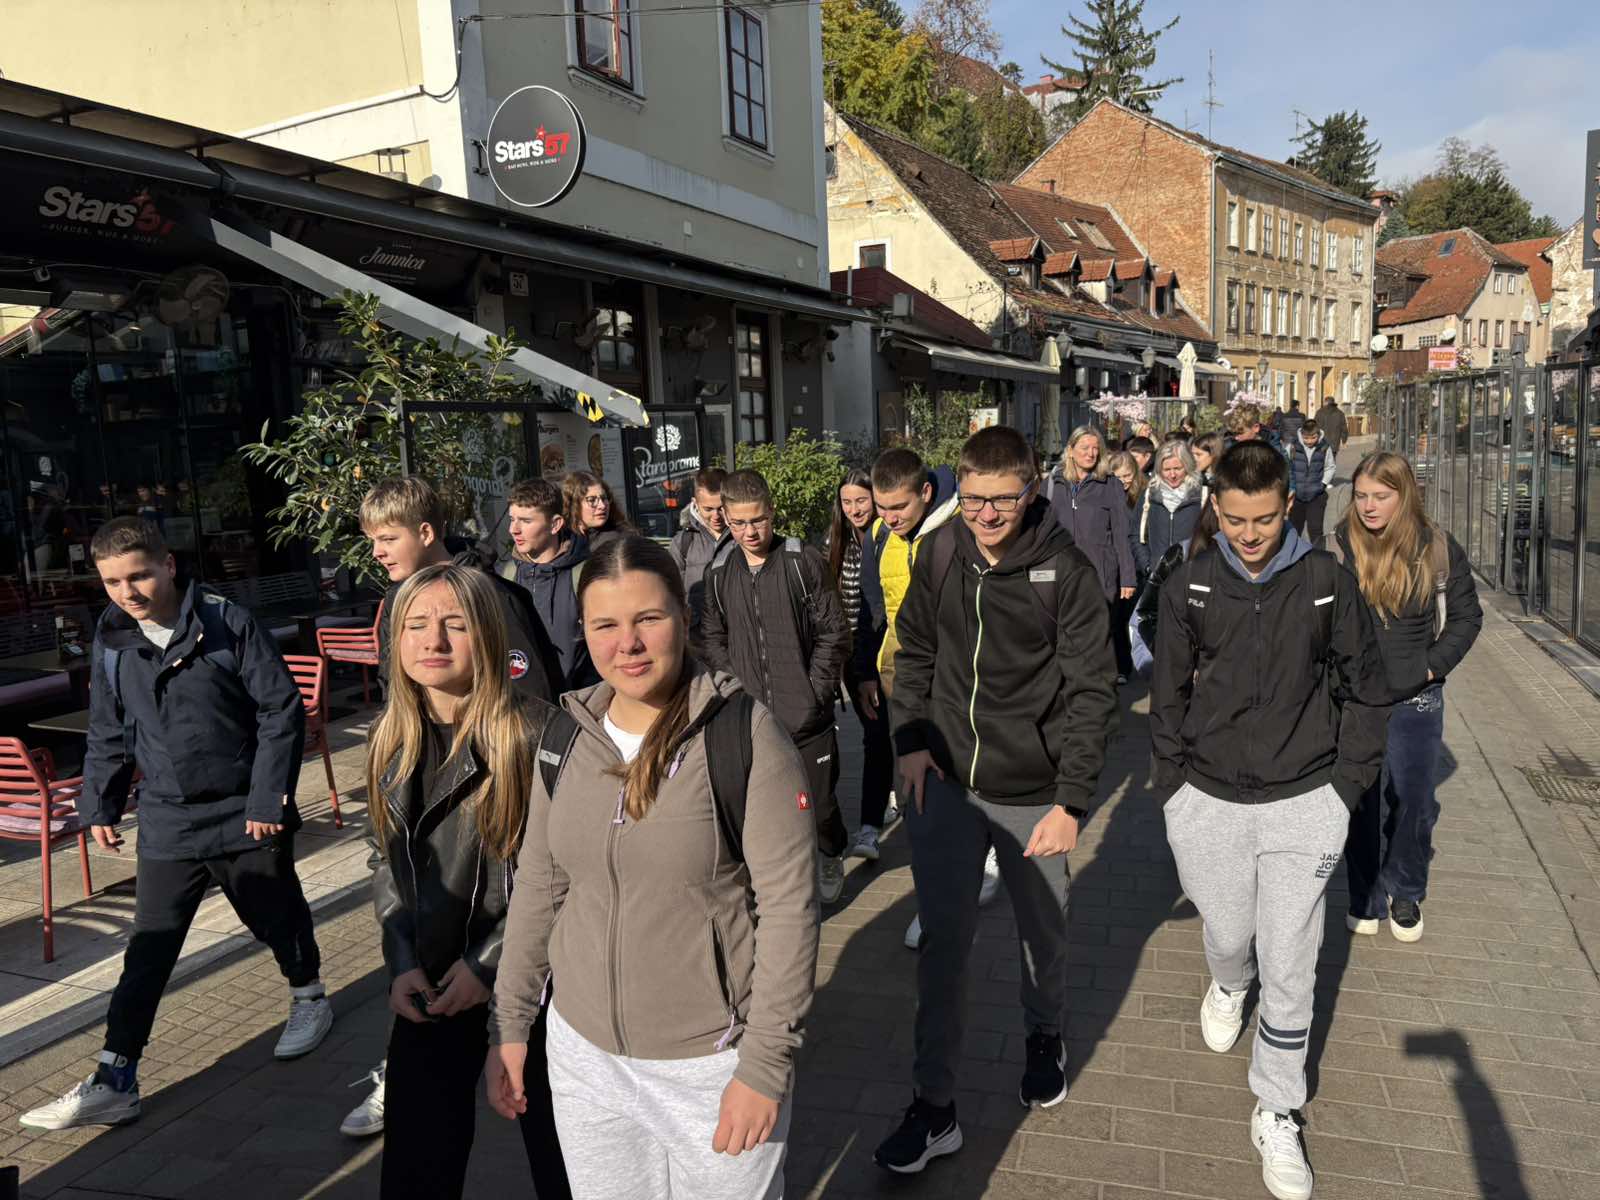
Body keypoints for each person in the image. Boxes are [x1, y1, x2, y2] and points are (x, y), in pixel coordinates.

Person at [485, 535, 818, 1200]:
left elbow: (790, 911)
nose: (627, 644)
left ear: (684, 620)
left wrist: (764, 1067)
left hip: (709, 1065)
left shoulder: (745, 735)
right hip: (584, 1060)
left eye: (649, 619)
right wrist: (511, 1024)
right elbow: (541, 886)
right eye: (605, 625)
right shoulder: (564, 735)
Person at [23, 517, 330, 1132]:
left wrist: (267, 799)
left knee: (277, 916)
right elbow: (109, 728)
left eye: (138, 576)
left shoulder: (226, 621)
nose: (127, 592)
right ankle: (115, 1078)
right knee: (150, 946)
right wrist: (100, 804)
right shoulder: (112, 639)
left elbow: (279, 710)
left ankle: (308, 996)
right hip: (167, 815)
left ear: (167, 564)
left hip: (244, 809)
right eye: (112, 582)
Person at [1149, 442, 1390, 1200]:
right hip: (1208, 799)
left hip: (1304, 800)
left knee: (1290, 956)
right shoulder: (1189, 584)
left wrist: (1345, 790)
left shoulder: (1324, 582)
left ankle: (1278, 1106)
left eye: (1264, 519)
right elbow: (1166, 697)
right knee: (1229, 935)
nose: (1249, 535)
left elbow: (1366, 687)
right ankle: (1228, 984)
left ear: (1288, 506)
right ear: (1215, 510)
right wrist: (1172, 788)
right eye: (1235, 520)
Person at [874, 426, 1117, 1174]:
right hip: (946, 782)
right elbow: (914, 651)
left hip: (1033, 793)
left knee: (1042, 935)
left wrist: (1072, 803)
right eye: (974, 499)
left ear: (1032, 488)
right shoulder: (940, 552)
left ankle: (1044, 1037)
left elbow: (1092, 692)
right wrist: (909, 742)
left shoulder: (1066, 571)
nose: (986, 514)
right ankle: (934, 1107)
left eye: (1002, 500)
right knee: (943, 946)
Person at [367, 563, 570, 1200]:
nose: (433, 641)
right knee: (417, 1168)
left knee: (565, 1168)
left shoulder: (537, 733)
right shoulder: (388, 738)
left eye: (455, 624)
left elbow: (567, 874)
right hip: (430, 985)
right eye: (416, 625)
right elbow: (384, 861)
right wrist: (401, 960)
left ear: (488, 635)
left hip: (535, 989)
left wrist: (489, 965)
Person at [1331, 453, 1481, 944]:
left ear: (1404, 495)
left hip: (1417, 701)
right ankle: (1365, 894)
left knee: (1412, 801)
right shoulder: (1337, 545)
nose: (1369, 506)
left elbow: (1466, 617)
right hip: (1355, 700)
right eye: (1361, 496)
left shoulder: (1435, 546)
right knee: (1359, 801)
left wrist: (1431, 666)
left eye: (1381, 496)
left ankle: (1406, 889)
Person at [863, 447, 998, 944]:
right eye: (881, 507)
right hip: (904, 685)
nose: (890, 517)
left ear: (925, 492)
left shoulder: (964, 531)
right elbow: (873, 608)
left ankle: (981, 860)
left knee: (965, 790)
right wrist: (867, 668)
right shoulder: (879, 535)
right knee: (919, 798)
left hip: (962, 686)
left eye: (899, 507)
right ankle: (936, 905)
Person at [700, 469, 850, 903]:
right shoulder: (718, 573)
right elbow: (712, 637)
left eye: (758, 520)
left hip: (807, 718)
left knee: (819, 807)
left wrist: (814, 693)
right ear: (725, 518)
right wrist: (734, 690)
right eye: (739, 523)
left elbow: (834, 632)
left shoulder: (803, 562)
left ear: (772, 512)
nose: (750, 532)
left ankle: (830, 853)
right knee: (759, 810)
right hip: (751, 720)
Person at [363, 477, 563, 704]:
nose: (377, 552)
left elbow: (531, 692)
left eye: (388, 539)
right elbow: (391, 685)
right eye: (372, 541)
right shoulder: (396, 599)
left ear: (426, 533)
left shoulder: (491, 594)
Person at [829, 469, 897, 863]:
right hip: (854, 661)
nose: (854, 509)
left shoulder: (887, 536)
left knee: (889, 737)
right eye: (847, 501)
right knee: (875, 737)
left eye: (861, 500)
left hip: (888, 655)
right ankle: (872, 823)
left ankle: (876, 818)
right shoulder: (836, 543)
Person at [1046, 425, 1136, 683]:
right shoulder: (1052, 483)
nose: (1091, 453)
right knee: (1062, 629)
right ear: (1070, 450)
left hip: (1100, 571)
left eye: (1096, 448)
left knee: (1098, 631)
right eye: (1085, 447)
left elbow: (1121, 534)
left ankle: (1096, 684)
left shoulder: (1110, 485)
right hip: (1061, 571)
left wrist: (1127, 577)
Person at [496, 477, 594, 690]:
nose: (514, 529)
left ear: (555, 524)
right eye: (512, 519)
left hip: (577, 701)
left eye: (526, 521)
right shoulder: (505, 575)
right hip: (522, 702)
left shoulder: (585, 575)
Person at [668, 466, 728, 632]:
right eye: (708, 509)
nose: (716, 516)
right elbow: (672, 593)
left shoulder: (743, 537)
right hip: (698, 634)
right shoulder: (682, 542)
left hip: (738, 631)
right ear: (695, 503)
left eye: (721, 508)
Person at [1136, 440, 1207, 578]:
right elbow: (1136, 535)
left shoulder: (1203, 496)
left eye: (1178, 468)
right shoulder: (1148, 495)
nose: (1172, 475)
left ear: (1187, 466)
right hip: (1157, 577)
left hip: (1192, 575)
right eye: (1167, 470)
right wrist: (1148, 566)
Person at [1106, 449, 1146, 683]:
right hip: (1114, 565)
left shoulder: (1142, 497)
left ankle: (1132, 662)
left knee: (1131, 618)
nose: (1123, 481)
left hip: (1136, 566)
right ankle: (1120, 666)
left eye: (1127, 475)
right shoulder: (1106, 495)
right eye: (1118, 476)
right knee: (1115, 619)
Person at [1287, 420, 1337, 543]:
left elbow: (1330, 467)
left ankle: (1317, 551)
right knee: (1294, 529)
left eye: (1313, 438)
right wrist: (1289, 487)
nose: (1309, 441)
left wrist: (1323, 484)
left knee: (1315, 530)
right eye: (1306, 438)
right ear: (1301, 435)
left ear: (1318, 434)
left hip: (1316, 496)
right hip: (1296, 496)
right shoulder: (1293, 446)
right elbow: (1286, 466)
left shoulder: (1324, 447)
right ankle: (1293, 552)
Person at [562, 470, 629, 549]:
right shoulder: (561, 537)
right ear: (573, 505)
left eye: (604, 498)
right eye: (592, 500)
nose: (602, 506)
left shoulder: (613, 541)